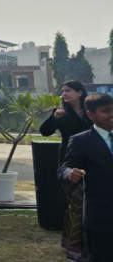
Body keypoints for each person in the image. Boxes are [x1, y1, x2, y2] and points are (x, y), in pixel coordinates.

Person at [39, 80, 92, 261]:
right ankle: (74, 241)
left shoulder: (91, 111)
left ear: (80, 92)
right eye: (62, 91)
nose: (64, 94)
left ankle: (87, 237)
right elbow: (44, 131)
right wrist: (54, 118)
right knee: (75, 199)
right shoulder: (61, 112)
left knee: (89, 199)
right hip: (69, 161)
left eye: (68, 90)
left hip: (92, 159)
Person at [59, 92, 113, 262]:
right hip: (101, 215)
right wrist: (70, 173)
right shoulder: (81, 141)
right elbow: (64, 168)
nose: (112, 115)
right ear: (90, 115)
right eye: (106, 111)